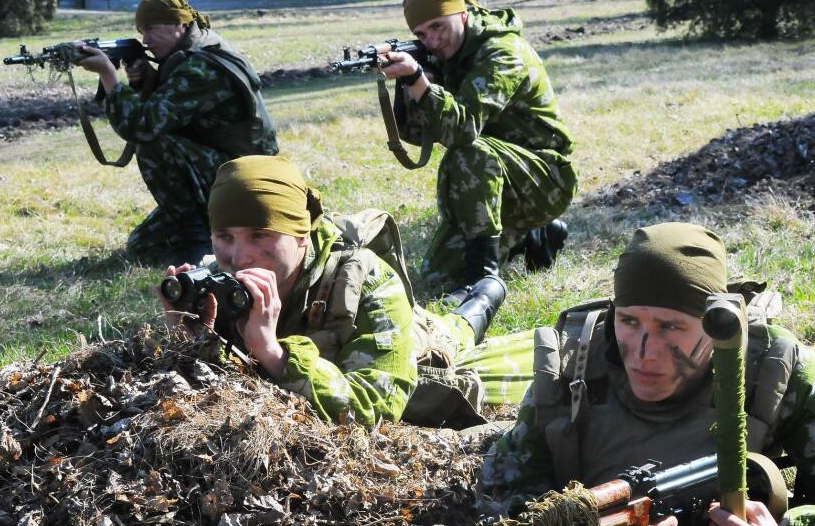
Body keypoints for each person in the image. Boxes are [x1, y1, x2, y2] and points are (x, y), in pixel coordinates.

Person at [480, 222, 815, 526]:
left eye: (671, 326)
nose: (644, 350)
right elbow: (501, 498)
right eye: (629, 321)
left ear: (713, 328)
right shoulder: (572, 367)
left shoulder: (771, 373)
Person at [159, 155, 535, 428]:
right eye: (225, 237)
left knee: (455, 330)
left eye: (261, 235)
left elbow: (377, 405)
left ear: (302, 234)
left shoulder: (366, 281)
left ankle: (486, 292)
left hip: (419, 340)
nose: (239, 257)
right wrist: (185, 335)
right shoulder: (219, 282)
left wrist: (273, 352)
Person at [379, 0, 578, 304]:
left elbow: (462, 130)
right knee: (435, 276)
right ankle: (537, 235)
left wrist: (418, 79)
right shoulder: (446, 55)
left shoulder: (502, 52)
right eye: (421, 35)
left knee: (468, 151)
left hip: (545, 178)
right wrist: (411, 85)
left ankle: (481, 279)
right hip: (496, 177)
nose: (433, 41)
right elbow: (418, 134)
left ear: (462, 14)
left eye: (438, 27)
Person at [77, 0, 279, 266]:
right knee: (142, 248)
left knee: (152, 143)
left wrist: (109, 77)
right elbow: (175, 112)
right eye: (141, 31)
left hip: (246, 184)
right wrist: (145, 81)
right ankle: (212, 232)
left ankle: (199, 244)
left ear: (178, 24)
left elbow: (144, 126)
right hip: (227, 172)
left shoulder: (200, 67)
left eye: (150, 29)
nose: (145, 40)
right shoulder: (195, 51)